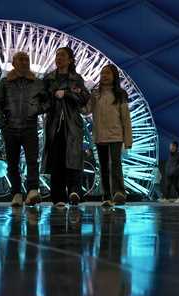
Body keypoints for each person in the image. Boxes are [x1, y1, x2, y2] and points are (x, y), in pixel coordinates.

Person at [0, 51, 47, 207]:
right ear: (13, 63)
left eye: (26, 60)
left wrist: (36, 109)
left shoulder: (37, 83)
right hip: (10, 128)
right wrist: (3, 124)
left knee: (32, 161)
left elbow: (48, 102)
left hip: (29, 127)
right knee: (12, 163)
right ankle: (16, 193)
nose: (24, 62)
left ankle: (32, 190)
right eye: (21, 60)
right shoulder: (4, 83)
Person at [42, 47, 90, 207]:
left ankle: (74, 190)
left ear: (70, 60)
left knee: (74, 158)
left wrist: (67, 93)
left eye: (62, 55)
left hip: (72, 125)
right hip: (54, 125)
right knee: (57, 159)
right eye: (57, 55)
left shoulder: (76, 78)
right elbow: (43, 99)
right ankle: (58, 196)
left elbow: (84, 98)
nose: (58, 58)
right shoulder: (48, 78)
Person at [87, 64, 132, 207]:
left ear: (114, 76)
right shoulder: (95, 94)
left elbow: (125, 118)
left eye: (107, 73)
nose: (104, 76)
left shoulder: (120, 94)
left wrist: (128, 139)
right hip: (100, 136)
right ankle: (106, 195)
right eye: (102, 73)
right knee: (104, 167)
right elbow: (86, 109)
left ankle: (119, 192)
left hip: (116, 135)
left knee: (115, 165)